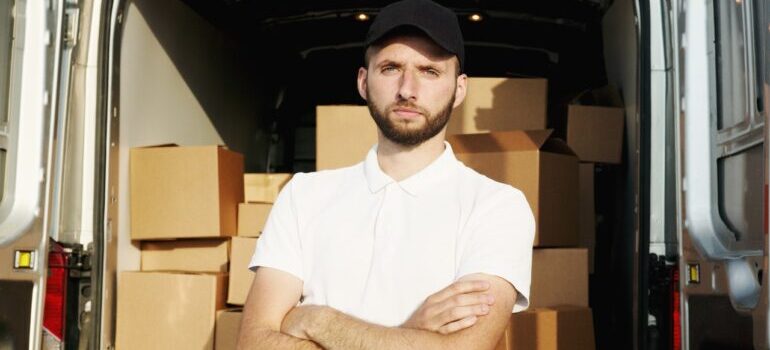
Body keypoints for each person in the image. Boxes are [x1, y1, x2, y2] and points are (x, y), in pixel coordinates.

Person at [237, 0, 535, 348]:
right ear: (363, 82)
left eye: (430, 71)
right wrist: (410, 333)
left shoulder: (497, 207)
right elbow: (254, 342)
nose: (407, 89)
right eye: (391, 68)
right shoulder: (302, 196)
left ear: (460, 89)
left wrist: (316, 319)